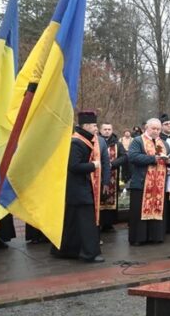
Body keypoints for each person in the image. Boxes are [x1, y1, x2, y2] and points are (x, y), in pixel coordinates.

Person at [52, 111, 105, 262]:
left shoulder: (87, 140)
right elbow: (73, 166)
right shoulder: (76, 142)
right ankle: (90, 253)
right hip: (79, 189)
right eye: (94, 125)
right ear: (86, 126)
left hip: (81, 188)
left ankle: (65, 250)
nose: (96, 128)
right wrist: (93, 165)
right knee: (87, 222)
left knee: (72, 222)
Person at [127, 118, 170, 245]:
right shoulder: (137, 141)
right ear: (147, 127)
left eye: (158, 129)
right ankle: (139, 239)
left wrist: (169, 161)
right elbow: (133, 157)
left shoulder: (163, 142)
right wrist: (153, 159)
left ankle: (156, 236)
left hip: (158, 184)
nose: (156, 131)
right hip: (141, 182)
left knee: (157, 210)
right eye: (153, 128)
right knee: (139, 212)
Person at [99, 123, 128, 233]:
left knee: (111, 198)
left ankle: (109, 224)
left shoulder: (117, 144)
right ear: (101, 130)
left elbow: (124, 157)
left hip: (113, 174)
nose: (107, 131)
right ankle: (99, 222)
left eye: (109, 129)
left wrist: (112, 164)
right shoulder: (96, 141)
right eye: (105, 129)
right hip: (99, 174)